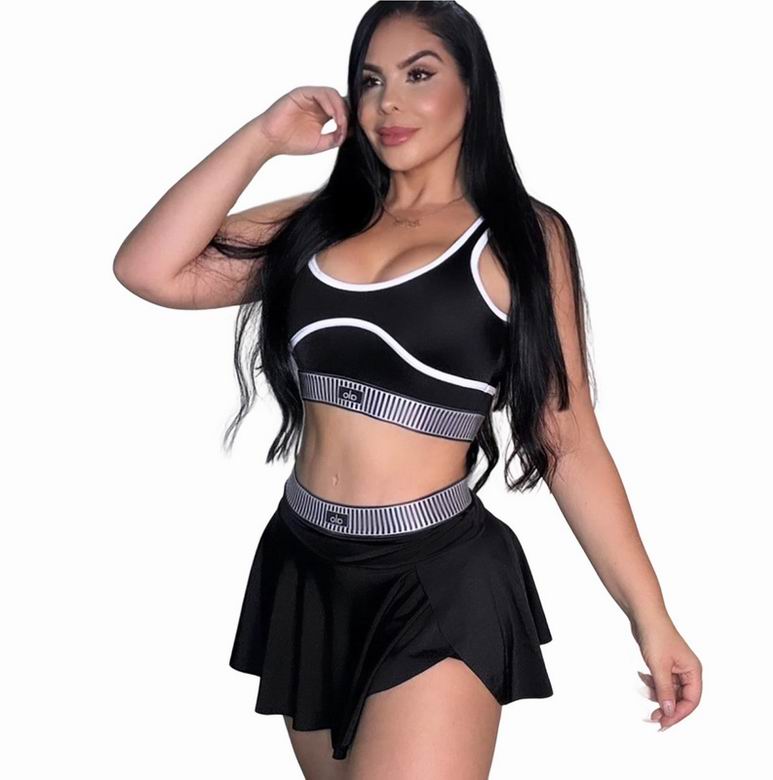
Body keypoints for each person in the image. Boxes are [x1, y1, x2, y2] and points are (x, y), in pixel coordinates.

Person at [113, 2, 703, 777]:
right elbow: (149, 268)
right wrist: (261, 139)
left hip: (437, 582)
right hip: (305, 568)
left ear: (472, 89)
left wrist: (650, 617)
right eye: (371, 81)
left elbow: (567, 440)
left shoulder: (521, 238)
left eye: (419, 75)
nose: (389, 102)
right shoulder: (317, 223)